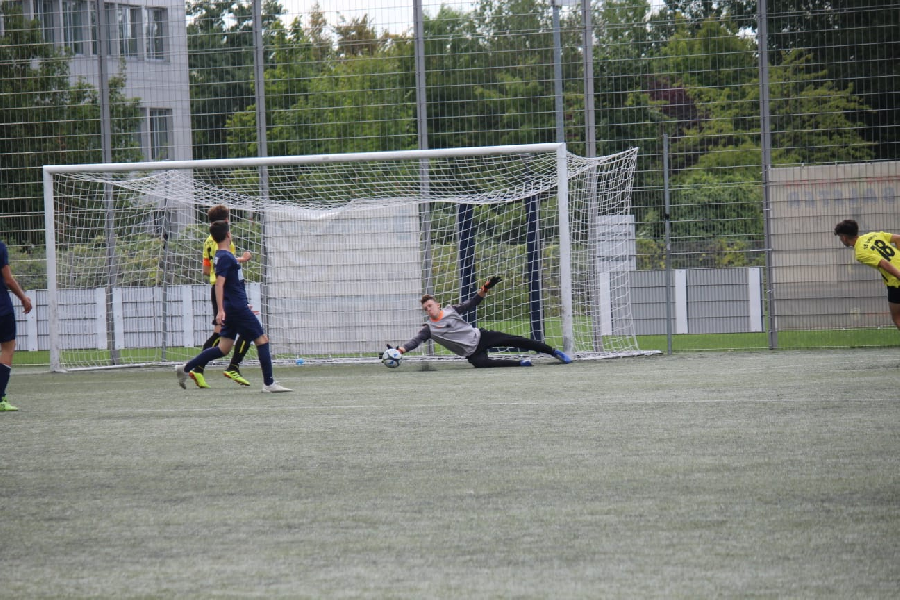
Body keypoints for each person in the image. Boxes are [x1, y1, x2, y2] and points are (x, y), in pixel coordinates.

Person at [177, 220, 292, 393]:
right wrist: (221, 310)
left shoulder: (223, 255)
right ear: (228, 235)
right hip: (236, 308)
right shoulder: (224, 257)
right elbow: (219, 284)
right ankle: (269, 384)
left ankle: (186, 368)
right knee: (262, 340)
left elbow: (227, 275)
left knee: (223, 348)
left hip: (233, 306)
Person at [395, 276, 573, 368]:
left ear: (437, 304)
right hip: (471, 352)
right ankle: (520, 363)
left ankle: (554, 352)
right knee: (481, 364)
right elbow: (415, 341)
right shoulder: (429, 329)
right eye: (425, 308)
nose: (428, 309)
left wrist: (485, 288)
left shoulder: (451, 310)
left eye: (430, 305)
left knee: (517, 340)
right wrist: (400, 350)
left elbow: (473, 302)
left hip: (480, 337)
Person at [192, 204, 253, 388]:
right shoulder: (225, 240)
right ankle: (229, 366)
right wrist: (243, 259)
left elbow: (205, 270)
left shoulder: (208, 241)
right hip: (228, 289)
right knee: (247, 329)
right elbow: (228, 263)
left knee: (221, 333)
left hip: (218, 288)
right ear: (226, 220)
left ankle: (199, 368)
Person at [834, 219, 900, 331]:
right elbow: (898, 238)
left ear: (844, 237)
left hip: (896, 282)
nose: (841, 240)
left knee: (897, 318)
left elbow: (883, 263)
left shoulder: (860, 253)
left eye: (840, 237)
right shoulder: (873, 235)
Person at [0, 241, 33, 411]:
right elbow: (8, 280)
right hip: (2, 308)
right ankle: (0, 398)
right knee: (7, 349)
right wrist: (23, 298)